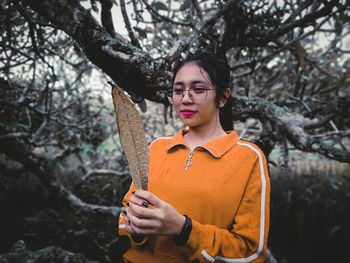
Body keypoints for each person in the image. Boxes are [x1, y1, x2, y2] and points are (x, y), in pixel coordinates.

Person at [118, 50, 270, 263]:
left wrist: (184, 229)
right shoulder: (157, 148)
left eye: (198, 89)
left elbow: (250, 252)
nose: (185, 99)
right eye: (178, 90)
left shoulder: (248, 157)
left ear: (223, 97)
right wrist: (135, 228)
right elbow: (127, 214)